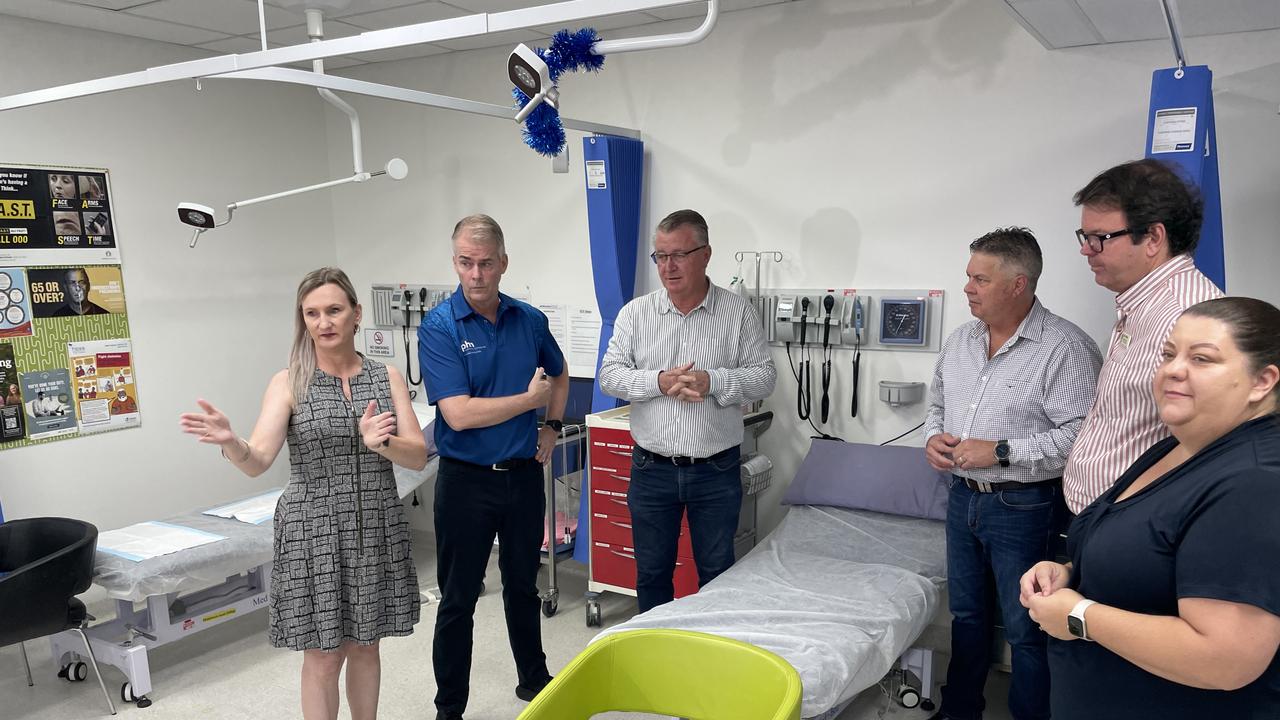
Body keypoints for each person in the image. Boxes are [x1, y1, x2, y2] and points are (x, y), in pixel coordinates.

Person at [179, 267, 427, 720]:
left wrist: (382, 443)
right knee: (324, 655)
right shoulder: (289, 382)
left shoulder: (386, 377)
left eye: (333, 310)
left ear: (356, 314)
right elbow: (257, 461)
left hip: (375, 525)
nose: (323, 322)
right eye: (312, 313)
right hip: (313, 532)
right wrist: (230, 442)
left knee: (366, 645)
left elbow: (416, 456)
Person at [1022, 297, 1280, 719]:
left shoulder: (1253, 483)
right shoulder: (1178, 445)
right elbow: (1155, 561)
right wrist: (1070, 575)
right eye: (1168, 353)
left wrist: (1078, 615)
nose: (1174, 369)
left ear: (1261, 381)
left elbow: (1226, 658)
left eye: (1202, 358)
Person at [922, 228, 1102, 720]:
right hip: (961, 497)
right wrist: (934, 438)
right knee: (967, 615)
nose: (967, 288)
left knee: (1028, 628)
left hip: (1023, 505)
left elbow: (1081, 438)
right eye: (968, 277)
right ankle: (960, 711)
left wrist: (1000, 451)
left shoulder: (1065, 348)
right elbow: (937, 404)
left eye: (980, 279)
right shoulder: (960, 341)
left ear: (1018, 284)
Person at [418, 214, 567, 720]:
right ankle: (449, 708)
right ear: (455, 262)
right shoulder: (439, 326)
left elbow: (560, 375)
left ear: (503, 263)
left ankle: (533, 680)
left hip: (523, 478)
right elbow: (457, 415)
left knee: (523, 585)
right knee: (458, 599)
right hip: (465, 483)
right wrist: (528, 401)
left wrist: (552, 424)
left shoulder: (529, 319)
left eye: (485, 263)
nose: (476, 274)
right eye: (465, 263)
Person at [599, 209, 776, 613]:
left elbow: (764, 379)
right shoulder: (635, 314)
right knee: (651, 572)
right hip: (651, 468)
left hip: (715, 471)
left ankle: (710, 661)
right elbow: (610, 376)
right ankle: (653, 656)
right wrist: (658, 382)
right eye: (660, 256)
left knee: (716, 572)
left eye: (678, 254)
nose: (668, 266)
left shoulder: (738, 313)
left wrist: (713, 382)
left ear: (706, 254)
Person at [1062, 159, 1223, 515]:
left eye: (1099, 238)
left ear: (1153, 238)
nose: (1086, 250)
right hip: (1105, 519)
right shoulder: (1141, 305)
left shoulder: (1187, 316)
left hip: (1136, 522)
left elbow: (1211, 448)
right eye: (1085, 237)